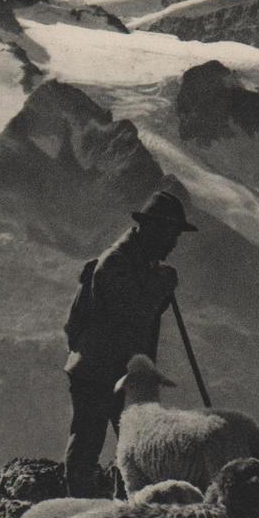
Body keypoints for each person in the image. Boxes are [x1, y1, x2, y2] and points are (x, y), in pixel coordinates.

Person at [63, 190, 198, 497]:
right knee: (88, 443)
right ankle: (77, 514)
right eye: (171, 234)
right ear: (154, 229)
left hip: (120, 374)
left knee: (136, 446)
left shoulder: (142, 263)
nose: (174, 243)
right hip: (97, 372)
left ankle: (126, 511)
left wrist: (158, 280)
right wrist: (162, 283)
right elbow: (135, 313)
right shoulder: (116, 263)